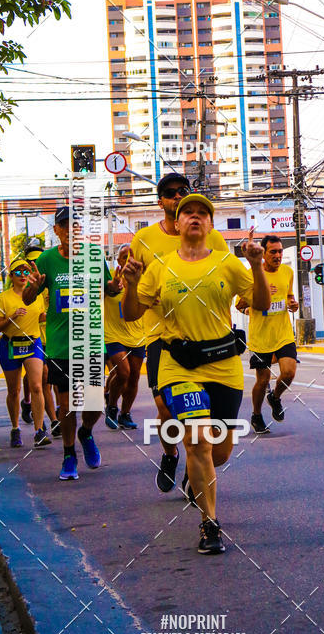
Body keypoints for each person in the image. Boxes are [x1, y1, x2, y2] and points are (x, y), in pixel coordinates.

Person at [122, 194, 270, 554]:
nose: (194, 216)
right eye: (187, 212)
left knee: (220, 452)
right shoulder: (160, 267)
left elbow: (261, 304)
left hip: (223, 366)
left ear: (210, 225)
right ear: (177, 223)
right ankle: (210, 524)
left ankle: (196, 474)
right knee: (198, 441)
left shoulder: (226, 263)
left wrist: (256, 266)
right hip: (179, 366)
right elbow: (131, 314)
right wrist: (131, 284)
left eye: (202, 213)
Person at [129, 173, 228, 493]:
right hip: (160, 335)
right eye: (170, 193)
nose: (176, 196)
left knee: (203, 418)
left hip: (205, 338)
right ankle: (171, 454)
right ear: (160, 202)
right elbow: (134, 284)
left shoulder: (211, 236)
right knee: (165, 406)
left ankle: (193, 466)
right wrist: (133, 284)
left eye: (182, 191)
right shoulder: (144, 239)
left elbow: (226, 275)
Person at [23, 207, 122, 480]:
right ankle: (69, 454)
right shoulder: (46, 260)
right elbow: (28, 299)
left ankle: (86, 433)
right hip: (61, 345)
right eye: (64, 225)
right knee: (66, 404)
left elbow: (109, 288)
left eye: (75, 225)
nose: (70, 229)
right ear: (56, 230)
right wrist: (33, 286)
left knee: (94, 403)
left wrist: (117, 286)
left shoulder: (94, 255)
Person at [236, 235, 299, 435]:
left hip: (283, 333)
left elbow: (289, 297)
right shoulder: (251, 274)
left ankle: (275, 397)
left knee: (289, 372)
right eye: (273, 252)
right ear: (263, 254)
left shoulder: (288, 272)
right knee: (262, 380)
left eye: (280, 251)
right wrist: (259, 293)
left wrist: (293, 304)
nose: (278, 255)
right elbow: (239, 304)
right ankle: (256, 414)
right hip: (260, 336)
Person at [0, 259, 47, 448]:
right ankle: (15, 428)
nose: (23, 275)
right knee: (14, 390)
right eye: (18, 272)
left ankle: (39, 431)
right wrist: (11, 317)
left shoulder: (37, 295)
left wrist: (52, 315)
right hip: (10, 344)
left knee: (37, 386)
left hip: (32, 343)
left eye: (26, 272)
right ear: (11, 276)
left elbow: (41, 316)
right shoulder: (3, 298)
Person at [103, 244, 145, 431]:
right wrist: (111, 288)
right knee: (123, 372)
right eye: (124, 256)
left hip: (137, 335)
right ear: (118, 260)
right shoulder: (112, 279)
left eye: (131, 256)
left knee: (134, 377)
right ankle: (112, 406)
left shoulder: (142, 279)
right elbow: (103, 293)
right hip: (113, 334)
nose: (128, 259)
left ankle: (125, 414)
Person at [22, 240, 61, 439]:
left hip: (54, 337)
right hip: (35, 338)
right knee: (42, 380)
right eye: (32, 263)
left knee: (53, 380)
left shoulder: (54, 281)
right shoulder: (25, 286)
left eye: (39, 262)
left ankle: (55, 414)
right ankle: (53, 420)